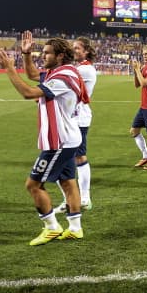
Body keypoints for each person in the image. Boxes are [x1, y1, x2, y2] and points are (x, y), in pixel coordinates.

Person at [0, 32, 88, 245]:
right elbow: (33, 74)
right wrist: (26, 54)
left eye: (47, 53)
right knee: (67, 181)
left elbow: (28, 92)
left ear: (61, 55)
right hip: (68, 138)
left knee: (33, 185)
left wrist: (9, 68)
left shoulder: (64, 77)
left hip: (60, 141)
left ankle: (51, 227)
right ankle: (75, 228)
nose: (43, 56)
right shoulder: (60, 71)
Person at [55, 37, 97, 213]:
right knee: (66, 159)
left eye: (77, 48)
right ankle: (72, 200)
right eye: (73, 48)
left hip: (78, 118)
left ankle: (84, 198)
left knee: (75, 158)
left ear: (86, 51)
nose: (74, 51)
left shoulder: (85, 69)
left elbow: (61, 78)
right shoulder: (79, 68)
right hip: (71, 117)